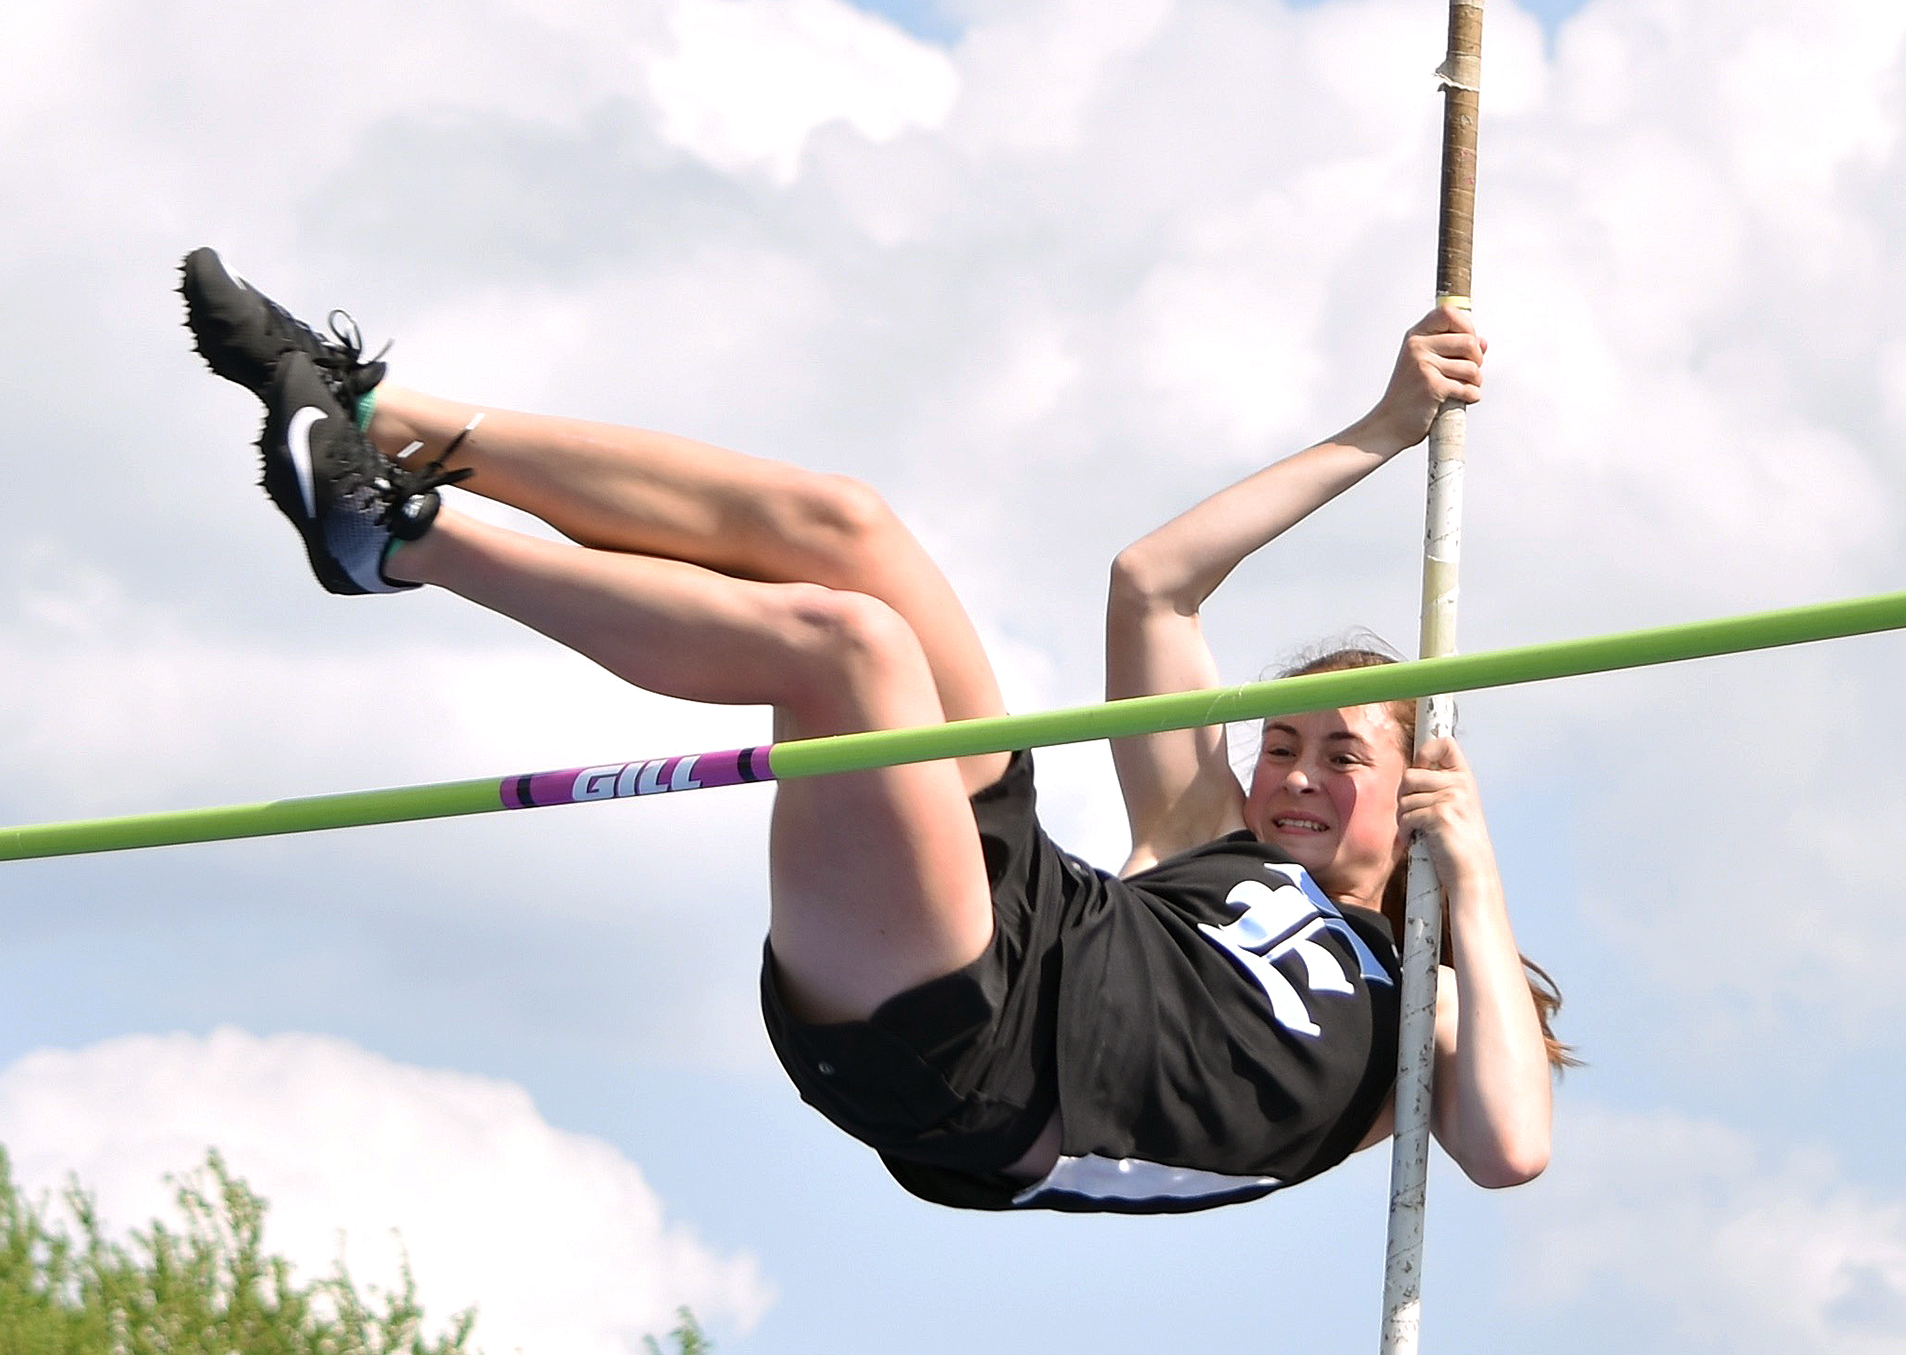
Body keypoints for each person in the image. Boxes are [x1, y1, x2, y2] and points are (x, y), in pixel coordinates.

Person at [179, 248, 1561, 1213]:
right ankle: (373, 416)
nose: (1296, 776)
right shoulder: (1206, 836)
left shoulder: (1426, 993)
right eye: (1285, 742)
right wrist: (1384, 426)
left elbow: (1506, 1148)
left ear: (1426, 793)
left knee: (851, 653)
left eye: (1343, 757)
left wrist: (1475, 880)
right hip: (1030, 907)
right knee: (847, 531)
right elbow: (1155, 581)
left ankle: (399, 541)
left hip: (983, 1057)